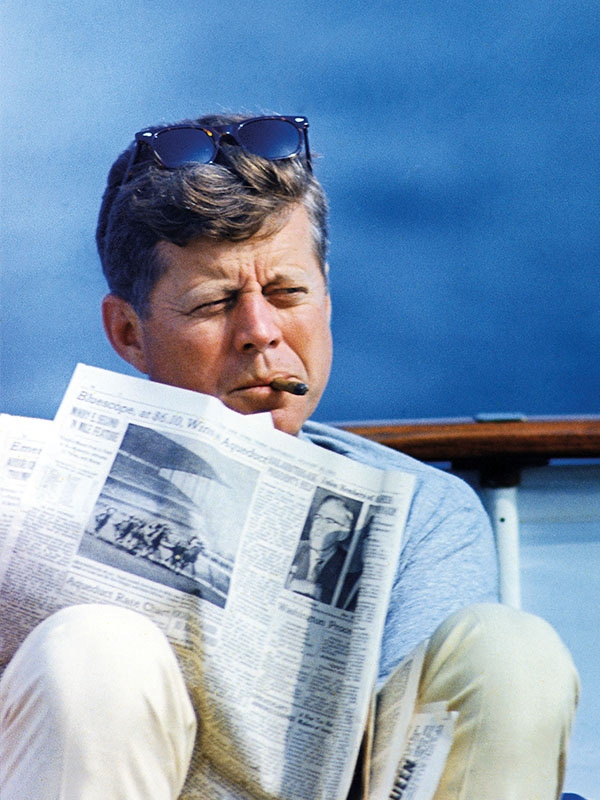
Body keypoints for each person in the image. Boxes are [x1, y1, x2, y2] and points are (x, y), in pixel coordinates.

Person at [0, 113, 580, 800]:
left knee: (510, 651)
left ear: (326, 297)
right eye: (215, 303)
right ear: (129, 333)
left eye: (287, 294)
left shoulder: (423, 514)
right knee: (92, 651)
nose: (261, 333)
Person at [286, 494, 361, 607]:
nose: (319, 526)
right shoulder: (294, 548)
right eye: (317, 518)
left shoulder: (349, 567)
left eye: (329, 521)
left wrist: (318, 592)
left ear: (343, 534)